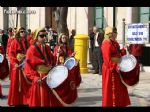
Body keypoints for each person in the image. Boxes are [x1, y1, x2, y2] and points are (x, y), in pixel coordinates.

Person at [23, 28, 56, 107]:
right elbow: (28, 67)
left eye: (45, 35)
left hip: (49, 76)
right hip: (39, 78)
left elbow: (53, 60)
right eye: (41, 36)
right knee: (40, 101)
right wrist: (35, 78)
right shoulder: (31, 49)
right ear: (36, 37)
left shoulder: (47, 48)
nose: (44, 38)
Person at [101, 26, 130, 107]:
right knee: (111, 90)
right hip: (110, 69)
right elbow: (107, 60)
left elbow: (118, 53)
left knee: (119, 89)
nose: (116, 34)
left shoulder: (115, 43)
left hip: (117, 68)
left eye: (116, 32)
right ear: (110, 34)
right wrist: (115, 67)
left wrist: (123, 51)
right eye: (114, 33)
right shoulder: (106, 43)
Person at [53, 33, 81, 107]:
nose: (64, 39)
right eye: (63, 38)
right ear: (60, 39)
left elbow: (68, 57)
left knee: (76, 65)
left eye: (65, 37)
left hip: (67, 65)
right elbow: (55, 57)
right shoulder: (57, 47)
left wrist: (72, 56)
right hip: (61, 65)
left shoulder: (68, 47)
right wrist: (58, 55)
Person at [8, 27, 30, 106]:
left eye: (24, 31)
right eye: (21, 31)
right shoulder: (14, 42)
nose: (23, 33)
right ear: (18, 33)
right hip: (17, 65)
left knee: (26, 83)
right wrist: (15, 62)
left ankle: (25, 100)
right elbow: (11, 53)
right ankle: (15, 101)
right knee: (16, 83)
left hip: (25, 65)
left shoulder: (27, 42)